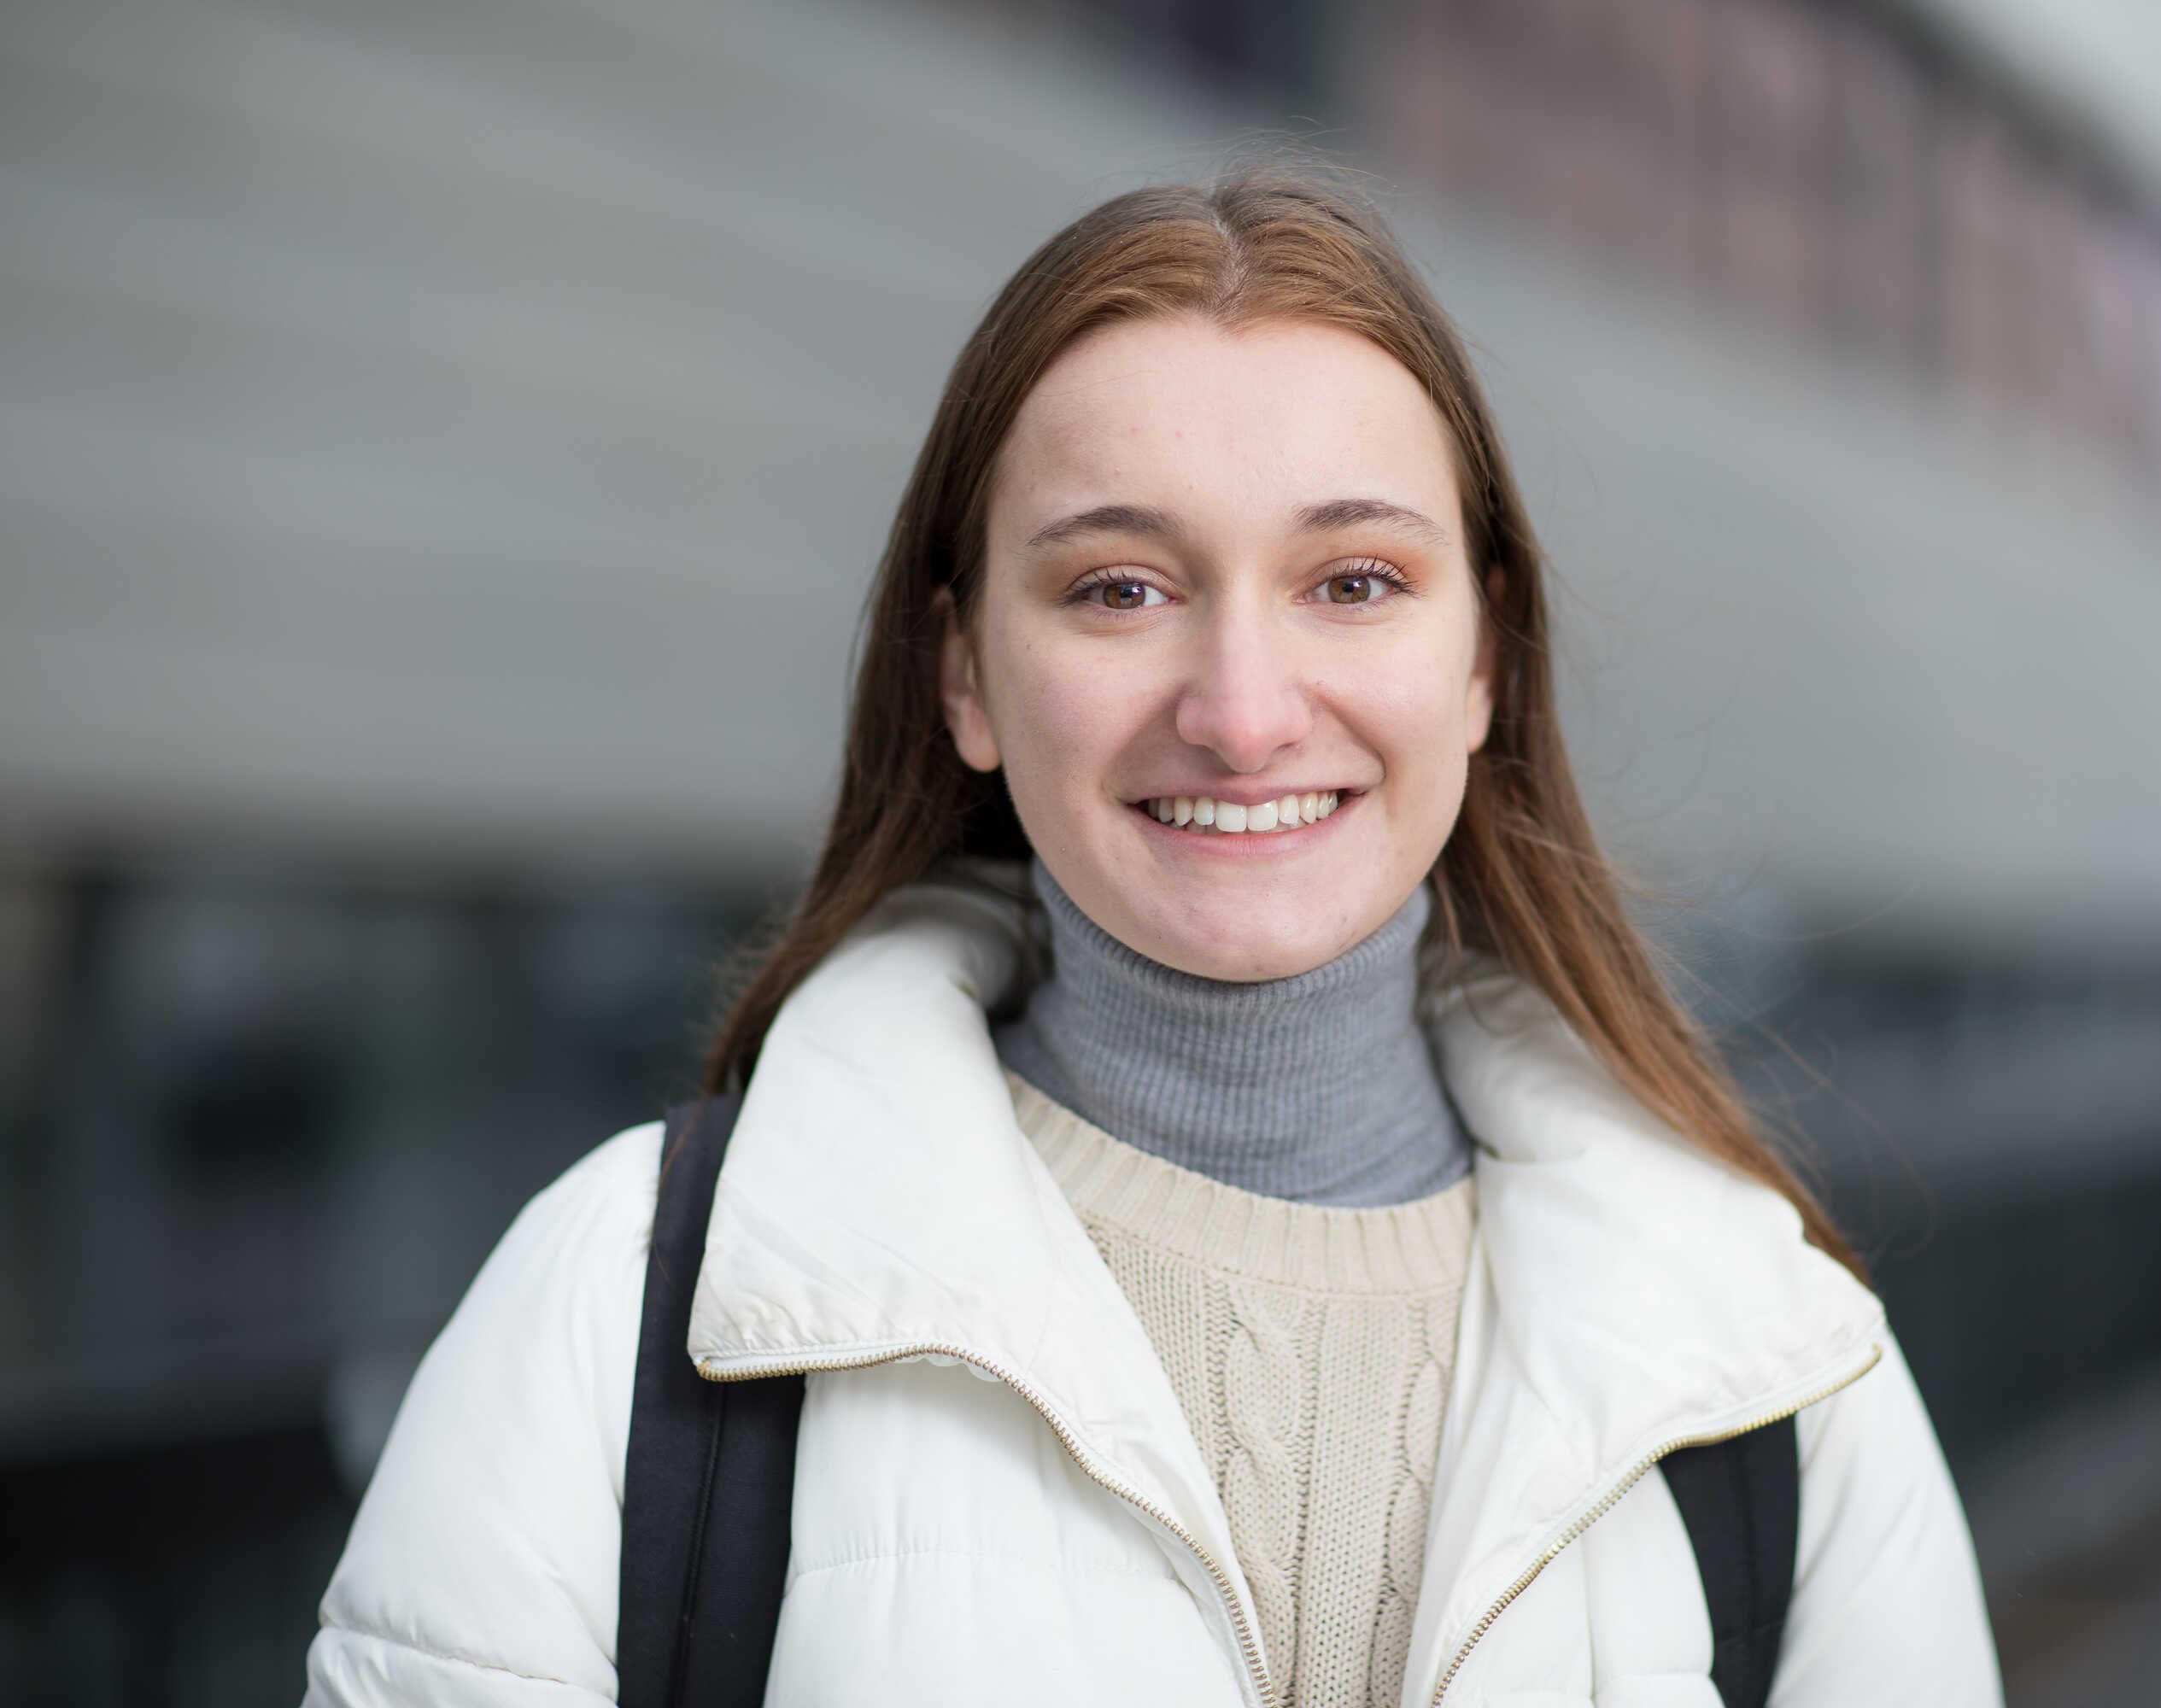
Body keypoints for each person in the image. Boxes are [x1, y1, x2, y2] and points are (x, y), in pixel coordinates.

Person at [302, 162, 2002, 1707]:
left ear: (1487, 660)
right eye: (1121, 586)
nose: (1244, 714)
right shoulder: (624, 1312)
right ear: (964, 671)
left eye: (1353, 582)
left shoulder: (1773, 1373)